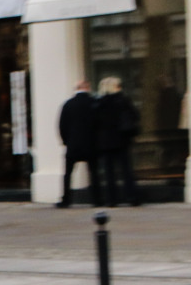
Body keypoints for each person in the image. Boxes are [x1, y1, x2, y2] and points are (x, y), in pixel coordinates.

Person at [95, 76, 140, 207]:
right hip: (122, 140)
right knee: (126, 170)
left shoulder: (99, 103)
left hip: (106, 142)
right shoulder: (123, 101)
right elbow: (135, 116)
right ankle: (132, 197)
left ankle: (111, 199)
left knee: (109, 172)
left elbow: (95, 123)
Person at [57, 80, 100, 208]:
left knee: (68, 174)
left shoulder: (68, 104)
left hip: (73, 144)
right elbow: (99, 124)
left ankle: (66, 199)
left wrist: (66, 141)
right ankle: (97, 199)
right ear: (88, 88)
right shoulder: (94, 103)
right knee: (94, 173)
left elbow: (62, 125)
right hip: (91, 144)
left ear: (76, 88)